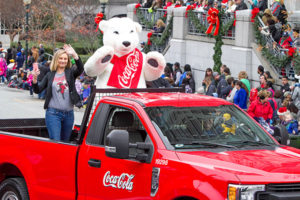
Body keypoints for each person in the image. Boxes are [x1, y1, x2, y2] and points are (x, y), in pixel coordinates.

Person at [32, 44, 83, 142]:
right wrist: (34, 79)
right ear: (56, 59)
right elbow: (37, 90)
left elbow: (80, 69)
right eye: (60, 58)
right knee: (56, 142)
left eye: (65, 58)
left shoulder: (70, 73)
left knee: (65, 143)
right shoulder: (50, 74)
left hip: (69, 114)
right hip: (53, 114)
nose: (63, 61)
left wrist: (74, 54)